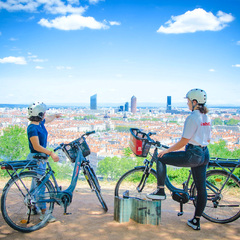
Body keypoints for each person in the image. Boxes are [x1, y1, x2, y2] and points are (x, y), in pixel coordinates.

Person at [146, 89, 211, 231]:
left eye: (188, 101)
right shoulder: (206, 116)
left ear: (194, 102)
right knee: (201, 189)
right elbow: (208, 138)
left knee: (161, 158)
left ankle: (160, 191)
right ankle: (196, 220)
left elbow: (183, 142)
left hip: (194, 154)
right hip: (205, 154)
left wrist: (167, 151)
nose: (187, 103)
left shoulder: (192, 117)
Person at [27, 101, 61, 223]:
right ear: (40, 114)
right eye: (44, 113)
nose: (46, 114)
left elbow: (49, 119)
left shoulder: (39, 123)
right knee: (41, 185)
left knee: (35, 183)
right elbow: (36, 146)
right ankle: (44, 213)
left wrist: (55, 115)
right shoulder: (32, 128)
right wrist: (51, 153)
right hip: (36, 158)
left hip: (40, 158)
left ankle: (32, 207)